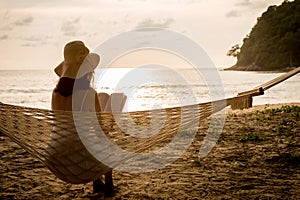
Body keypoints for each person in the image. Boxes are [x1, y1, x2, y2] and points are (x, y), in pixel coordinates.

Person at [51, 40, 113, 195]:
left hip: (56, 155)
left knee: (83, 140)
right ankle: (109, 186)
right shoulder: (89, 94)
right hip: (81, 157)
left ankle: (97, 182)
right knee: (105, 142)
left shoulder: (55, 93)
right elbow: (98, 128)